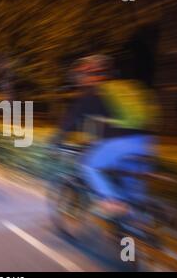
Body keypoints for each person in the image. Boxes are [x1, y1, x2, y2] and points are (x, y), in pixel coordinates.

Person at [52, 54, 158, 216]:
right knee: (133, 192)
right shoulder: (128, 88)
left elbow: (72, 120)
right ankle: (141, 227)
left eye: (82, 76)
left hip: (119, 144)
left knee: (88, 166)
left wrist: (57, 138)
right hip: (145, 142)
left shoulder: (93, 93)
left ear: (89, 75)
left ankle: (111, 201)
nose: (81, 80)